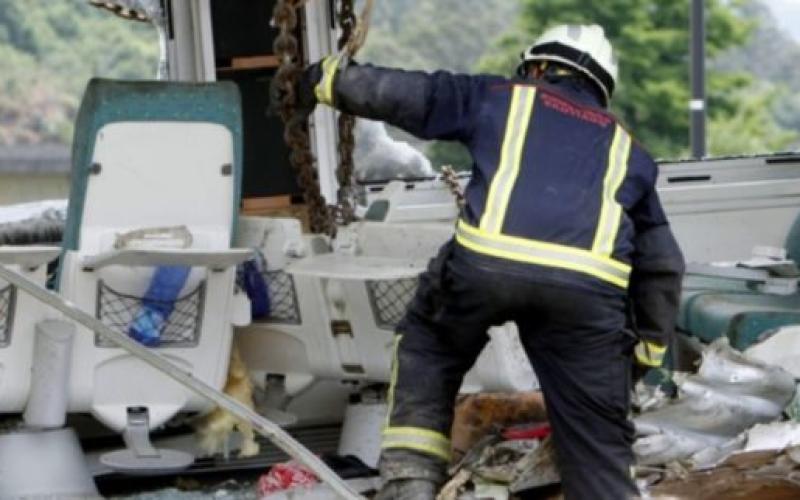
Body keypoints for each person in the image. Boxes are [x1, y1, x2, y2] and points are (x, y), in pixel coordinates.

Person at [297, 24, 685, 500]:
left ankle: (410, 486)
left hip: (484, 267)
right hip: (586, 295)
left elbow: (406, 94)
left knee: (429, 349)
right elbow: (663, 264)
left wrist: (324, 79)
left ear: (537, 67)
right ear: (601, 87)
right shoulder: (630, 150)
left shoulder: (501, 95)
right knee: (598, 444)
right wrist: (645, 350)